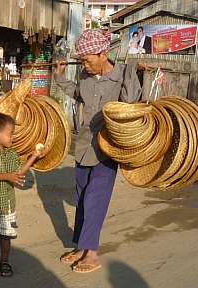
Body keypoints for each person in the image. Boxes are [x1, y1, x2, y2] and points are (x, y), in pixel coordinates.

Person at [54, 29, 141, 273]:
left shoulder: (122, 74)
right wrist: (60, 78)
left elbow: (133, 102)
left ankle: (91, 253)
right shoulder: (86, 74)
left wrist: (131, 69)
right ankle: (82, 247)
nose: (84, 64)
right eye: (81, 60)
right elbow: (78, 94)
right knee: (82, 197)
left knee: (95, 198)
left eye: (88, 60)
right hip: (84, 146)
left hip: (108, 149)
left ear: (104, 54)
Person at [0, 112, 43, 277]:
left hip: (8, 205)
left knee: (6, 235)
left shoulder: (12, 154)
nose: (13, 136)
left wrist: (33, 157)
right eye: (10, 133)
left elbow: (19, 172)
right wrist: (8, 176)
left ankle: (4, 261)